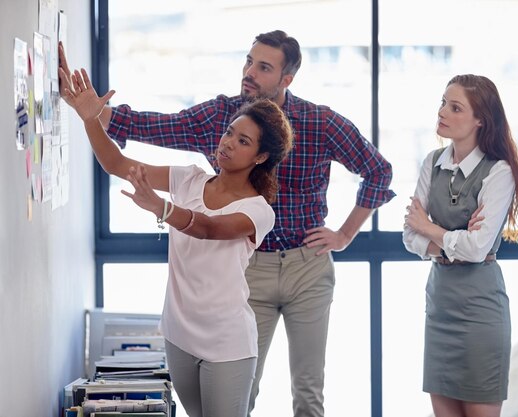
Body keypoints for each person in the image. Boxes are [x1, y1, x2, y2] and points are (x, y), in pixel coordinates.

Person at [59, 30, 394, 417]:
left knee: (308, 390)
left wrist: (345, 234)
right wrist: (89, 111)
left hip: (307, 266)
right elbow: (150, 128)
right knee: (242, 393)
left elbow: (378, 171)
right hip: (250, 270)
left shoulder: (319, 122)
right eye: (248, 61)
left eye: (263, 67)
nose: (249, 72)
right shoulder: (221, 118)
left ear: (287, 79)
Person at [61, 67, 293, 417]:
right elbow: (117, 163)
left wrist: (161, 207)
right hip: (179, 335)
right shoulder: (188, 179)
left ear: (260, 157)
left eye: (243, 141)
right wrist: (89, 117)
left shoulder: (258, 211)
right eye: (230, 132)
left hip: (227, 343)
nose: (228, 143)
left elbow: (209, 228)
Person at [402, 74, 518, 417]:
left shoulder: (499, 171)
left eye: (455, 107)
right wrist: (452, 241)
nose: (442, 112)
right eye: (443, 102)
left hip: (480, 312)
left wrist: (430, 228)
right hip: (440, 305)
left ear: (479, 120)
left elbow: (475, 248)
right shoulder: (432, 161)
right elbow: (409, 237)